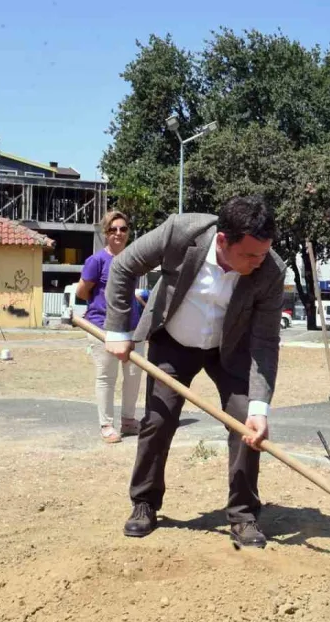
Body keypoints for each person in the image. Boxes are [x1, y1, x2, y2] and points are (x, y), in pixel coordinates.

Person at [101, 196, 287, 549]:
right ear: (222, 241)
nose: (258, 262)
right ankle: (144, 503)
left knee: (245, 423)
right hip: (173, 342)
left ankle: (244, 515)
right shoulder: (182, 232)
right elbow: (124, 267)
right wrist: (117, 331)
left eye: (263, 253)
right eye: (249, 255)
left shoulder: (270, 271)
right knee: (158, 420)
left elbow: (265, 342)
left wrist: (260, 408)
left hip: (229, 351)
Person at [77, 211, 145, 444]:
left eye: (123, 229)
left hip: (132, 327)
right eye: (113, 229)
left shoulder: (132, 259)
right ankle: (107, 424)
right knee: (107, 375)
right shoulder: (96, 261)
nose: (118, 233)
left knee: (134, 375)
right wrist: (102, 307)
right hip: (102, 327)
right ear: (106, 233)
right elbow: (82, 291)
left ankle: (128, 420)